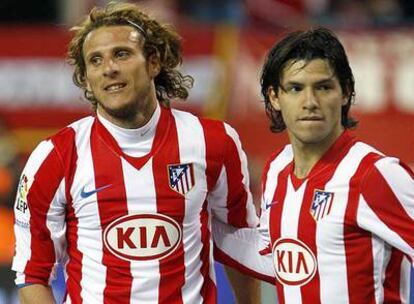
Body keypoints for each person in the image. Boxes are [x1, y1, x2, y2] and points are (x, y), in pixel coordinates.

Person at [11, 2, 259, 303]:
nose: (109, 68)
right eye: (95, 60)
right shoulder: (55, 157)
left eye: (122, 54)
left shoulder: (214, 142)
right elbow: (32, 275)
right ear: (87, 77)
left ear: (153, 62)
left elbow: (240, 242)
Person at [213, 27, 414, 303]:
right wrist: (195, 219)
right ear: (274, 97)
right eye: (296, 88)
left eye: (323, 87)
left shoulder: (374, 174)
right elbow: (277, 260)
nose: (310, 102)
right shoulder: (277, 169)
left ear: (345, 93)